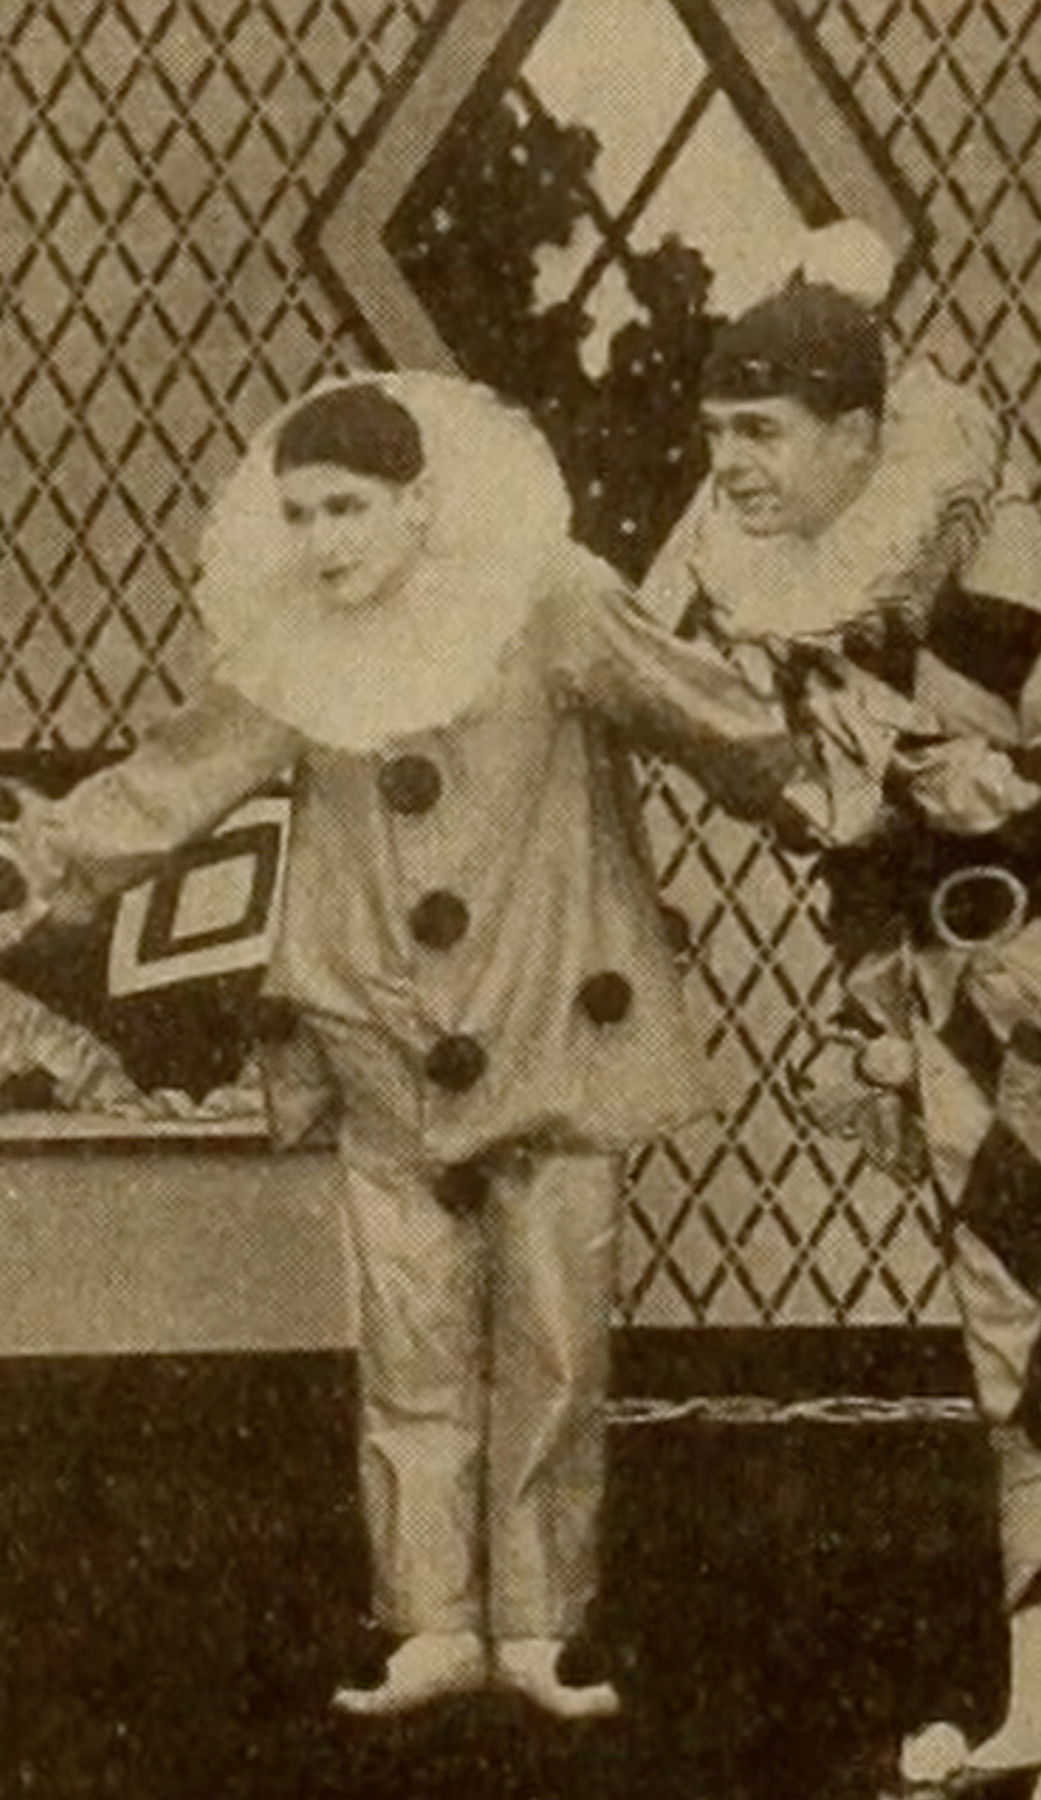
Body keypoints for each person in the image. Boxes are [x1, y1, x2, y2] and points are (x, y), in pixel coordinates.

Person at [0, 370, 813, 1723]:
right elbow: (178, 777)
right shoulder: (293, 646)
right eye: (301, 514)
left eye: (349, 509)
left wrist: (836, 796)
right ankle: (431, 1619)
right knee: (410, 1325)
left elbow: (708, 712)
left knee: (556, 1332)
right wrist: (40, 862)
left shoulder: (547, 598)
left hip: (547, 1006)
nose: (323, 542)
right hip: (376, 1013)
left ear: (419, 504)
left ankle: (542, 1624)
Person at [676, 222, 1041, 1800]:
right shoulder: (780, 596)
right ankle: (1040, 1694)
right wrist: (871, 1005)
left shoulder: (994, 547)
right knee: (1010, 1361)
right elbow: (850, 846)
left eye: (762, 432)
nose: (732, 465)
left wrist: (931, 776)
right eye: (715, 434)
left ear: (859, 431)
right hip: (957, 988)